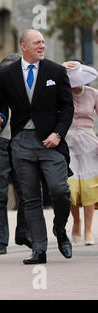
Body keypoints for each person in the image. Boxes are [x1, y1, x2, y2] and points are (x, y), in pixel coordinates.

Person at [0, 29, 74, 265]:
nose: (42, 46)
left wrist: (58, 134)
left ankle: (60, 229)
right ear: (24, 46)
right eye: (37, 42)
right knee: (30, 197)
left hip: (50, 142)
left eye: (43, 42)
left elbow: (67, 108)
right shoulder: (7, 74)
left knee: (60, 191)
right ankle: (39, 249)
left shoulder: (56, 71)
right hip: (22, 142)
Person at [0, 53, 32, 255]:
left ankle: (23, 232)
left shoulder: (28, 89)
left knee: (27, 191)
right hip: (0, 145)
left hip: (23, 143)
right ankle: (1, 241)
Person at [61, 60, 98, 245]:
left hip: (89, 143)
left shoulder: (93, 94)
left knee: (89, 187)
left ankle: (88, 229)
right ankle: (76, 221)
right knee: (71, 187)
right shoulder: (61, 95)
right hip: (67, 142)